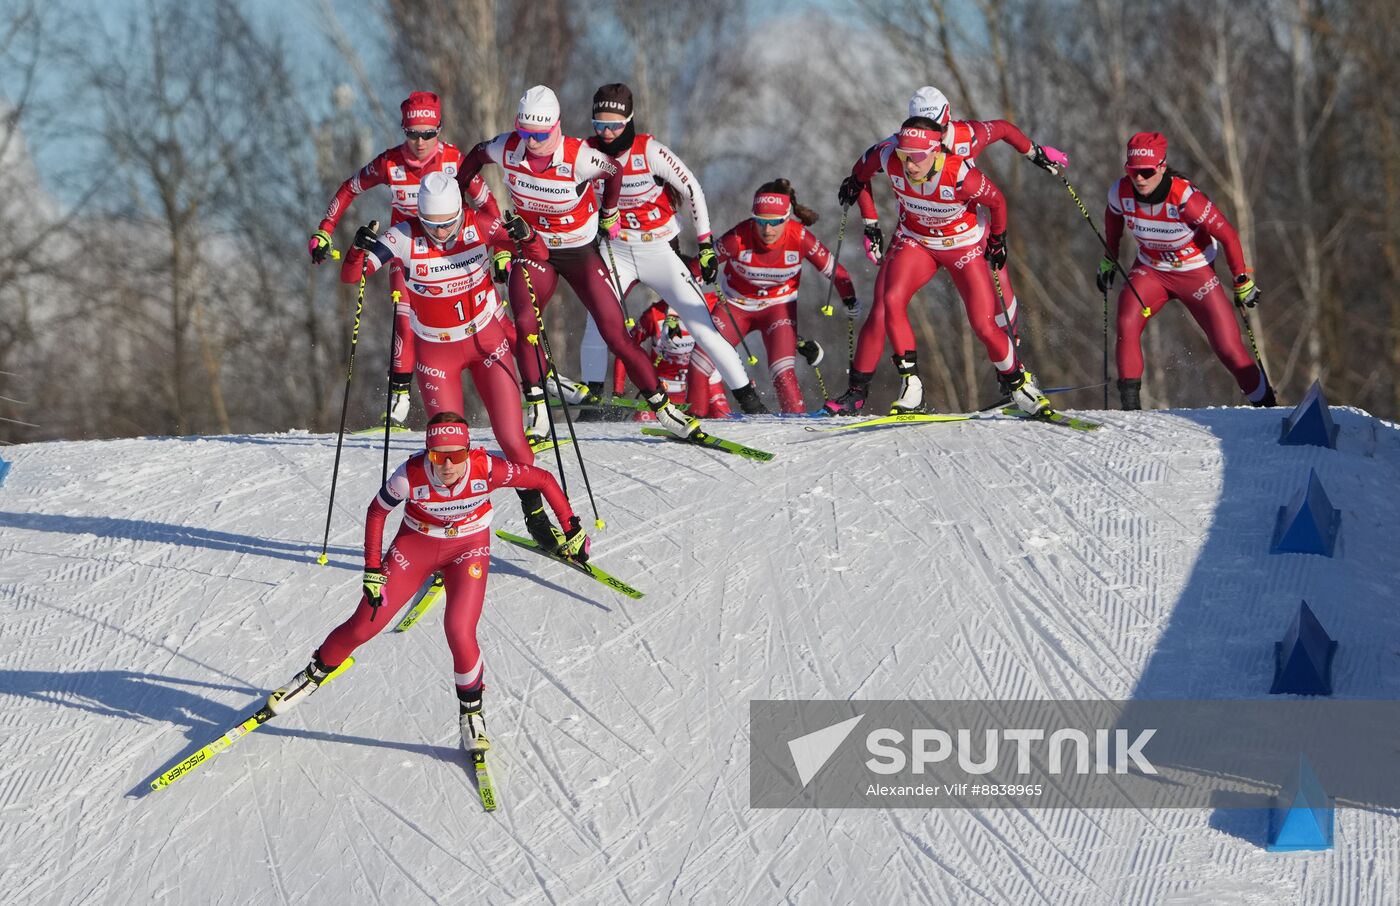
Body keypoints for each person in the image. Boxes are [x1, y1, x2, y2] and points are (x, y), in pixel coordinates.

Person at [267, 413, 588, 757]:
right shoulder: (409, 476)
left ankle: (472, 715)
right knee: (365, 625)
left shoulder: (488, 469)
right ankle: (312, 675)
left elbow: (542, 479)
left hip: (469, 548)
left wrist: (571, 527)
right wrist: (372, 569)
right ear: (427, 452)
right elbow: (376, 513)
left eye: (456, 456)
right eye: (438, 456)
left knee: (459, 630)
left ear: (468, 450)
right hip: (415, 547)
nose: (447, 465)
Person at [455, 85, 700, 441]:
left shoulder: (580, 156)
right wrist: (456, 193)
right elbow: (476, 155)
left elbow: (613, 170)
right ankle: (537, 409)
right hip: (535, 249)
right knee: (524, 323)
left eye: (539, 134)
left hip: (580, 253)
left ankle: (663, 408)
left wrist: (610, 212)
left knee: (616, 334)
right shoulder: (508, 147)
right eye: (525, 133)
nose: (532, 142)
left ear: (555, 127)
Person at [340, 171, 565, 549]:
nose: (441, 233)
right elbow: (354, 276)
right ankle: (449, 536)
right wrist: (357, 250)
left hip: (487, 343)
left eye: (448, 224)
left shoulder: (480, 224)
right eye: (432, 225)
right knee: (446, 452)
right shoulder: (405, 236)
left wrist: (526, 235)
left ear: (461, 211)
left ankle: (536, 516)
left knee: (512, 438)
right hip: (436, 355)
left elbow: (540, 255)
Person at [822, 116, 1054, 417]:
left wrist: (997, 240)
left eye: (917, 157)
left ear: (936, 151)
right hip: (917, 241)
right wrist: (859, 197)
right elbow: (861, 170)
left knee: (984, 324)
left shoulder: (960, 174)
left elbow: (997, 202)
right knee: (890, 300)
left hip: (962, 246)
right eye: (905, 155)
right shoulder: (889, 156)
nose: (909, 164)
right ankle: (911, 383)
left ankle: (1017, 382)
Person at [310, 91, 502, 428]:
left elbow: (488, 207)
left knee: (489, 320)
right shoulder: (390, 163)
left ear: (439, 130)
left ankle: (532, 393)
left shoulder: (455, 161)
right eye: (412, 133)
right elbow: (349, 188)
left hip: (452, 258)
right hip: (406, 253)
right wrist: (325, 229)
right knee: (404, 318)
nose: (420, 141)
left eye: (429, 133)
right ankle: (397, 407)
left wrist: (498, 248)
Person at [579, 83, 767, 415]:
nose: (607, 133)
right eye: (599, 125)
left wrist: (706, 245)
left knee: (699, 323)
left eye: (615, 125)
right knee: (597, 320)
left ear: (630, 121)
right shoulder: (585, 152)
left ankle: (750, 401)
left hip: (658, 251)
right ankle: (592, 401)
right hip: (616, 251)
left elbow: (692, 189)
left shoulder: (648, 150)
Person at [1099, 132, 1274, 409]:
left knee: (1229, 349)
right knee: (1127, 323)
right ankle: (1130, 413)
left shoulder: (1185, 198)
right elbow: (1112, 225)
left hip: (1195, 271)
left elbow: (1228, 235)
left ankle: (1268, 407)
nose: (1139, 179)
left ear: (1161, 167)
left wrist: (1241, 280)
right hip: (1151, 269)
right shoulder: (1119, 193)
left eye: (1146, 172)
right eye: (1132, 172)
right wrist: (1109, 260)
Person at [704, 180, 856, 415]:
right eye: (761, 222)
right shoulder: (739, 236)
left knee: (783, 372)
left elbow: (837, 271)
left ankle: (796, 423)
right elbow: (696, 266)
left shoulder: (800, 237)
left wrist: (849, 299)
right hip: (737, 306)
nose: (767, 230)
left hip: (778, 308)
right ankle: (695, 418)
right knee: (703, 358)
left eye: (775, 223)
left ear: (787, 217)